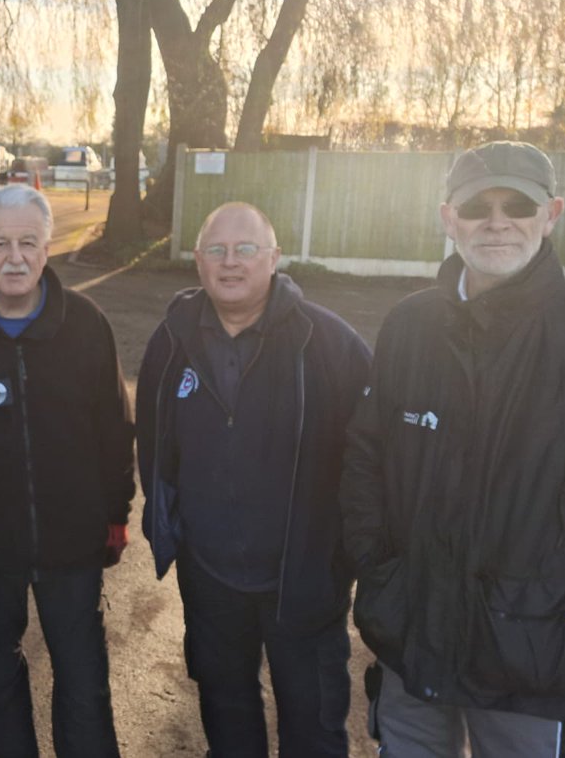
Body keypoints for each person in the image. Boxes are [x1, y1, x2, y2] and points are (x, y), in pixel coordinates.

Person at [340, 141, 565, 756]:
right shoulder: (409, 325)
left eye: (517, 204)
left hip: (535, 666)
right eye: (477, 206)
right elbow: (365, 462)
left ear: (551, 213)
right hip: (412, 643)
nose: (496, 221)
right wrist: (381, 578)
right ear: (449, 218)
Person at [136, 201, 371, 758]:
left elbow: (370, 460)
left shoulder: (331, 345)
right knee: (228, 721)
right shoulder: (170, 344)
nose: (231, 263)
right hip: (211, 579)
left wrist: (347, 555)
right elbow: (154, 445)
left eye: (246, 250)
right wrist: (170, 530)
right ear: (198, 261)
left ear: (275, 259)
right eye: (217, 250)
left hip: (305, 583)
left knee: (313, 732)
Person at [0, 184, 134, 758]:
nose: (15, 257)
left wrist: (117, 513)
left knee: (83, 677)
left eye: (28, 243)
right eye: (1, 243)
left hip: (73, 542)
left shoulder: (87, 324)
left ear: (48, 250)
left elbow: (115, 428)